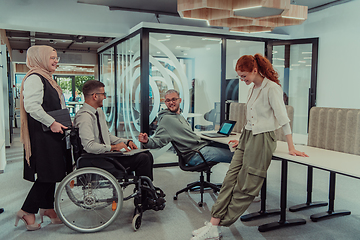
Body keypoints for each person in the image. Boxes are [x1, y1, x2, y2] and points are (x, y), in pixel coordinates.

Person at [190, 54, 308, 240]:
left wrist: (291, 146)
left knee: (247, 185)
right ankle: (214, 223)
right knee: (230, 178)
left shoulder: (272, 88)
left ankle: (218, 224)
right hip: (248, 136)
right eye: (240, 76)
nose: (242, 80)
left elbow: (284, 119)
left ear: (255, 70)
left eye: (244, 76)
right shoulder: (252, 88)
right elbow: (251, 117)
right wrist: (242, 139)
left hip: (263, 139)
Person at [73, 80, 155, 208]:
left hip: (106, 155)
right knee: (143, 159)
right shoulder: (84, 117)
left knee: (146, 154)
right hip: (96, 160)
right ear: (95, 96)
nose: (105, 97)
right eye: (103, 94)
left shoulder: (98, 112)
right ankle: (145, 200)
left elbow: (107, 136)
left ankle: (147, 193)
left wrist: (125, 141)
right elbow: (89, 146)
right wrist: (114, 148)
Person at [17, 45, 72, 231]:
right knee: (48, 174)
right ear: (40, 58)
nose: (56, 61)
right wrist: (52, 123)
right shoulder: (35, 78)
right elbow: (32, 106)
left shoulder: (47, 78)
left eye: (56, 57)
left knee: (54, 172)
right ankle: (27, 210)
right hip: (43, 134)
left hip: (51, 134)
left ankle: (47, 209)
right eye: (52, 58)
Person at [138, 89, 233, 166]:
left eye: (174, 99)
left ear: (180, 100)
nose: (171, 102)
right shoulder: (167, 119)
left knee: (232, 148)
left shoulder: (179, 116)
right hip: (195, 154)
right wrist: (147, 141)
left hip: (200, 147)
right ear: (165, 103)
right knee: (235, 156)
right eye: (168, 100)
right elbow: (158, 141)